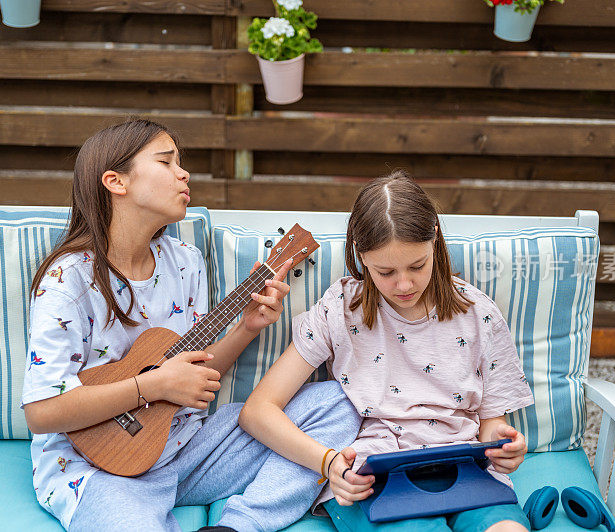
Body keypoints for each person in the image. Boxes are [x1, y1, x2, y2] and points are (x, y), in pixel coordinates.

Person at [21, 119, 360, 532]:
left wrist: (247, 327)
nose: (184, 174)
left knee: (339, 402)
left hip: (187, 450)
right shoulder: (68, 280)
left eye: (181, 163)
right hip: (96, 465)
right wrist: (152, 385)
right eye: (167, 163)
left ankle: (240, 526)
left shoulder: (185, 261)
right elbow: (41, 412)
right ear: (115, 181)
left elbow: (194, 373)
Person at [239, 171, 535, 532]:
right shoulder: (340, 310)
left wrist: (502, 448)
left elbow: (492, 423)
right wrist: (329, 463)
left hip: (465, 471)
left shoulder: (478, 313)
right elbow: (257, 411)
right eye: (385, 271)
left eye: (417, 265)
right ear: (361, 257)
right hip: (373, 476)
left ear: (434, 240)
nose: (404, 284)